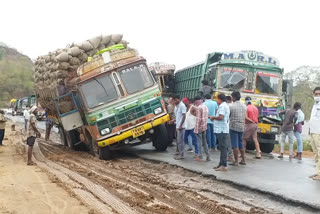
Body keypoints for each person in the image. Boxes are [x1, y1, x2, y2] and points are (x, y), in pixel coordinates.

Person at [210, 93, 230, 171]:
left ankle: (224, 165)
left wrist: (213, 117)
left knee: (223, 148)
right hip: (222, 129)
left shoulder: (222, 106)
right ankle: (221, 164)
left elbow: (221, 117)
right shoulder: (225, 105)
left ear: (219, 99)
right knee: (222, 147)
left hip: (221, 129)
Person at [229, 91, 247, 165]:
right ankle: (243, 159)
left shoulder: (231, 106)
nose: (232, 98)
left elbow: (229, 116)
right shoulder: (244, 106)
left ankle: (236, 161)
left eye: (232, 97)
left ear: (234, 97)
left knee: (234, 145)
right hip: (241, 127)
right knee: (240, 144)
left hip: (233, 127)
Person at [193, 96, 210, 161]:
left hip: (200, 127)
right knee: (204, 142)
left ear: (196, 101)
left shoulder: (199, 108)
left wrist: (196, 129)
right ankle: (208, 155)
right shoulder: (205, 106)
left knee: (199, 142)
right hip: (204, 126)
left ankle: (200, 156)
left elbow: (198, 120)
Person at [309, 87, 320, 180]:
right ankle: (317, 172)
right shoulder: (315, 105)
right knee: (316, 153)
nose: (317, 96)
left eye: (319, 94)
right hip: (313, 131)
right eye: (316, 94)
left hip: (319, 132)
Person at [174, 94, 187, 160]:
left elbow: (184, 116)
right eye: (174, 100)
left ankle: (181, 154)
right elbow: (178, 117)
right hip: (178, 125)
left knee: (180, 141)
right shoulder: (177, 106)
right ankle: (180, 153)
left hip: (181, 127)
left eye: (176, 100)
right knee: (179, 141)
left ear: (179, 99)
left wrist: (181, 125)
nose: (175, 101)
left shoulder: (182, 106)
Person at [225, 95, 234, 162]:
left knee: (228, 142)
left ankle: (230, 156)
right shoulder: (233, 105)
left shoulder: (227, 106)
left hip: (227, 126)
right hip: (233, 126)